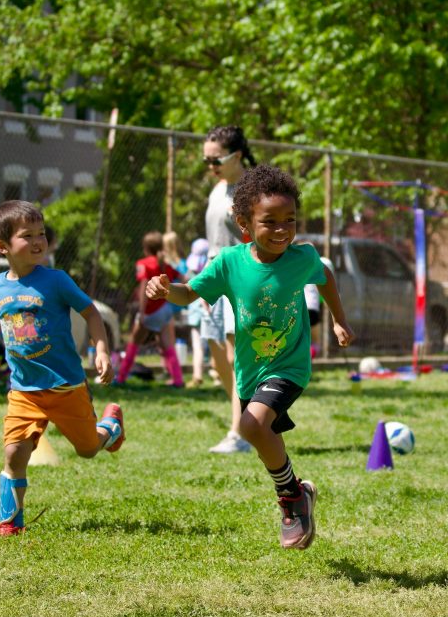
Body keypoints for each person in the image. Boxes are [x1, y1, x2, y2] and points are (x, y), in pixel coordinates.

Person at [145, 164, 355, 550]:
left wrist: (339, 321)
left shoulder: (301, 258)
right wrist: (164, 289)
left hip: (289, 364)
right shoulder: (229, 262)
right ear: (244, 222)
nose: (281, 230)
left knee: (252, 426)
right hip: (250, 370)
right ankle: (297, 491)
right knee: (254, 430)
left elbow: (325, 276)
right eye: (270, 222)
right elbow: (189, 293)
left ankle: (290, 501)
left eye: (289, 220)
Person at [0, 200, 125, 536]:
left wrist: (101, 350)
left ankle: (109, 428)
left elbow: (92, 313)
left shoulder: (56, 281)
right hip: (24, 391)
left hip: (66, 386)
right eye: (28, 236)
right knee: (13, 454)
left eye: (41, 234)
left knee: (87, 450)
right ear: (3, 246)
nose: (39, 241)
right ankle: (12, 522)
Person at [202, 125, 255, 453]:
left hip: (239, 277)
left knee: (238, 358)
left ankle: (240, 434)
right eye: (206, 161)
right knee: (216, 355)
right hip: (213, 276)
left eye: (215, 160)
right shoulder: (218, 188)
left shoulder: (250, 190)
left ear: (236, 156)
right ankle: (246, 418)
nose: (210, 167)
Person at [116, 231, 184, 387]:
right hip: (165, 309)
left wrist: (141, 312)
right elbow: (183, 278)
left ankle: (120, 378)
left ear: (145, 248)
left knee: (133, 343)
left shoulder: (144, 264)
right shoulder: (165, 264)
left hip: (150, 311)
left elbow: (144, 288)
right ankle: (178, 380)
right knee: (168, 346)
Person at [184, 238, 212, 387]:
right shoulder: (211, 271)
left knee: (197, 345)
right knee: (215, 344)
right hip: (209, 312)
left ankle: (197, 375)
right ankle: (216, 374)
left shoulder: (191, 272)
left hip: (196, 314)